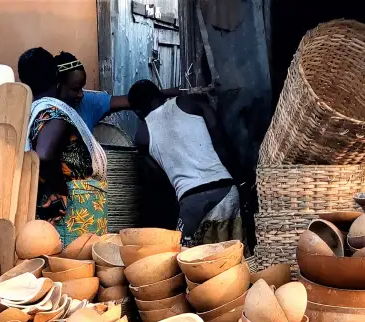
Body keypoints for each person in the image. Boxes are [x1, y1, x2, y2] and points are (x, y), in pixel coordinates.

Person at [127, 80, 243, 246]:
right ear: (159, 95)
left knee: (189, 261)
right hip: (226, 190)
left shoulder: (143, 136)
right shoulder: (190, 103)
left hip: (191, 202)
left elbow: (159, 180)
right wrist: (239, 181)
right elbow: (220, 140)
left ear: (137, 111)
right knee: (233, 256)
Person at [17, 47, 107, 245]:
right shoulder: (54, 114)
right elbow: (44, 155)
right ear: (56, 75)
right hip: (75, 213)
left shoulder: (34, 112)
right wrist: (61, 191)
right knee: (76, 268)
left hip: (71, 212)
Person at [53, 52, 185, 131]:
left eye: (82, 88)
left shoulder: (88, 101)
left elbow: (136, 99)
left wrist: (180, 91)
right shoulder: (46, 113)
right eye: (75, 89)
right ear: (58, 85)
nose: (81, 94)